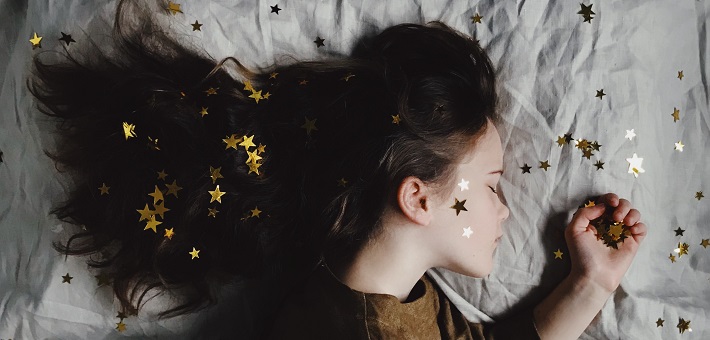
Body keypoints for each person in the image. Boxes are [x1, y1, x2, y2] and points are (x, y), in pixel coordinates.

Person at [28, 0, 647, 338]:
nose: (507, 209)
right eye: (490, 187)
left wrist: (590, 283)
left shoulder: (390, 299)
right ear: (419, 198)